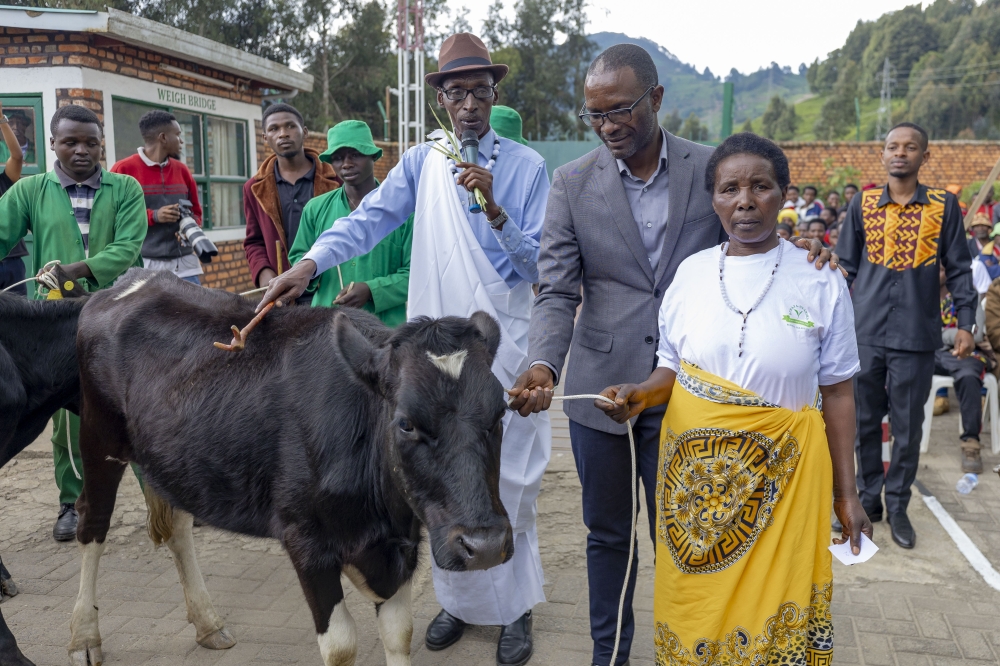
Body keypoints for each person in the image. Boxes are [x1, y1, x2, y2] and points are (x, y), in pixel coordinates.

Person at [506, 44, 837, 666]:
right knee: (608, 537)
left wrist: (807, 255)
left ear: (656, 99)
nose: (607, 126)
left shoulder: (710, 167)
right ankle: (611, 654)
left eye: (621, 110)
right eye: (595, 115)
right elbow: (555, 291)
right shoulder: (573, 183)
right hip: (602, 394)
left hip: (696, 399)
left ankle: (698, 648)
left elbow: (751, 238)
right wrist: (545, 365)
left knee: (691, 539)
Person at [259, 33, 550, 666]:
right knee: (439, 474)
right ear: (441, 99)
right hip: (434, 348)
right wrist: (307, 265)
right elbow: (369, 220)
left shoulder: (526, 166)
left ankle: (515, 611)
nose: (468, 104)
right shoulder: (424, 161)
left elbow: (539, 265)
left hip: (500, 344)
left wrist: (496, 210)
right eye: (455, 92)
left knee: (511, 476)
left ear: (494, 94)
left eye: (479, 91)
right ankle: (459, 604)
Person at [593, 132, 871, 666]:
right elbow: (670, 370)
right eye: (729, 189)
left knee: (774, 620)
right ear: (714, 199)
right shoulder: (690, 277)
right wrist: (639, 395)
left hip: (788, 489)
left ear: (783, 194)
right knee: (698, 616)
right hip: (699, 500)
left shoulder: (819, 279)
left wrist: (847, 494)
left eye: (760, 186)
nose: (745, 201)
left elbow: (837, 393)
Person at [0, 104, 146, 541]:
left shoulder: (125, 188)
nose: (81, 150)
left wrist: (79, 271)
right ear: (52, 144)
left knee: (136, 407)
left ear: (103, 144)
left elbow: (128, 246)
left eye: (90, 142)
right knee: (68, 418)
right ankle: (71, 501)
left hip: (119, 312)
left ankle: (162, 493)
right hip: (58, 321)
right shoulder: (29, 191)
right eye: (70, 142)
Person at [838, 122, 976, 550]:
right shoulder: (862, 204)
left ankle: (897, 504)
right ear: (882, 155)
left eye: (910, 147)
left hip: (917, 334)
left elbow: (959, 268)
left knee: (907, 427)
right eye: (892, 146)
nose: (900, 153)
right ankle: (868, 500)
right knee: (863, 422)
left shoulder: (943, 205)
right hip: (865, 332)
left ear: (924, 156)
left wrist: (967, 324)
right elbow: (844, 268)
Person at [288, 120, 412, 326]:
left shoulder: (405, 212)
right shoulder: (315, 209)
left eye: (355, 155)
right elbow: (299, 259)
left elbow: (415, 274)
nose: (346, 164)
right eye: (337, 158)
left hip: (385, 332)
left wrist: (371, 290)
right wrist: (311, 275)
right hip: (327, 329)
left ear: (373, 155)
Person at [244, 103, 340, 291]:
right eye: (274, 129)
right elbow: (254, 242)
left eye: (290, 126)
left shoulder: (336, 179)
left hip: (330, 286)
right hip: (284, 291)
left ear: (304, 132)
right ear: (265, 138)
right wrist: (265, 273)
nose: (283, 134)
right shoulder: (254, 187)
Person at [111, 110, 205, 283]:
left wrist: (188, 228)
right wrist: (153, 216)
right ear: (163, 137)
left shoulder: (183, 171)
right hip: (141, 265)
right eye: (177, 135)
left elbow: (197, 213)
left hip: (184, 265)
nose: (181, 140)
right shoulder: (123, 170)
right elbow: (113, 218)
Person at [934, 264, 991, 474]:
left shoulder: (967, 294)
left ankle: (971, 443)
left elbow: (974, 334)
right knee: (902, 366)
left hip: (964, 354)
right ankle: (894, 429)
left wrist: (938, 336)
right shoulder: (921, 294)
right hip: (931, 354)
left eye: (941, 269)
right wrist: (954, 334)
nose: (935, 273)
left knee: (968, 375)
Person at [0, 100, 26, 294]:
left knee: (18, 319)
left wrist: (2, 120)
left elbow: (17, 156)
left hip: (11, 261)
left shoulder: (4, 180)